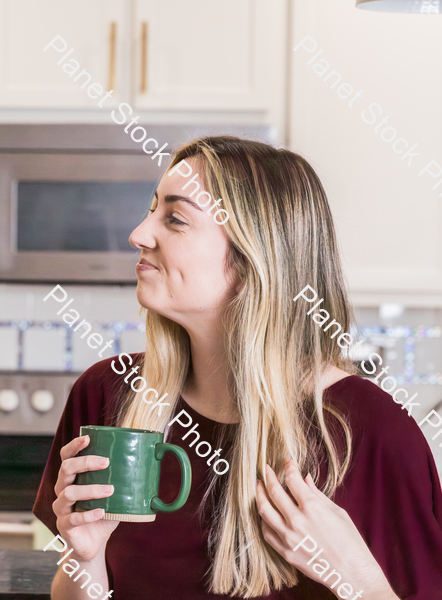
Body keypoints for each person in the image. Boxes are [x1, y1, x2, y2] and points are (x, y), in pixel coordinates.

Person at [33, 136, 442, 599]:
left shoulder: (374, 430)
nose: (139, 234)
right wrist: (85, 559)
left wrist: (356, 577)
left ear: (254, 258)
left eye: (176, 219)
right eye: (152, 211)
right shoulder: (108, 393)